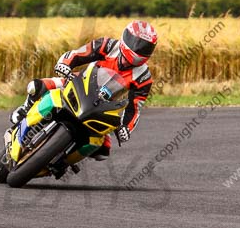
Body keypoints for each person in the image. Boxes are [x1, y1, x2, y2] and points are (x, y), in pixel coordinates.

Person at [10, 20, 158, 161]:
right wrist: (65, 65)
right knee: (36, 86)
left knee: (102, 151)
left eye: (143, 47)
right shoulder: (108, 45)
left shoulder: (143, 77)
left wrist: (126, 128)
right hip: (77, 83)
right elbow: (79, 54)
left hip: (102, 107)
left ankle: (64, 161)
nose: (137, 48)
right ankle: (25, 109)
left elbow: (134, 108)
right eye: (136, 42)